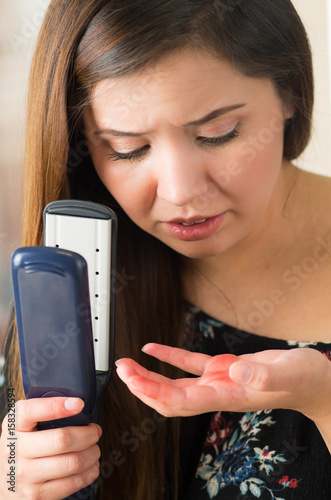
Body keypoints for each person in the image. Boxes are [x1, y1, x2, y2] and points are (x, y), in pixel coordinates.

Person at [0, 0, 330, 498]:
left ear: (290, 94)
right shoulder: (74, 288)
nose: (179, 193)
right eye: (127, 148)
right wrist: (10, 479)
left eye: (218, 133)